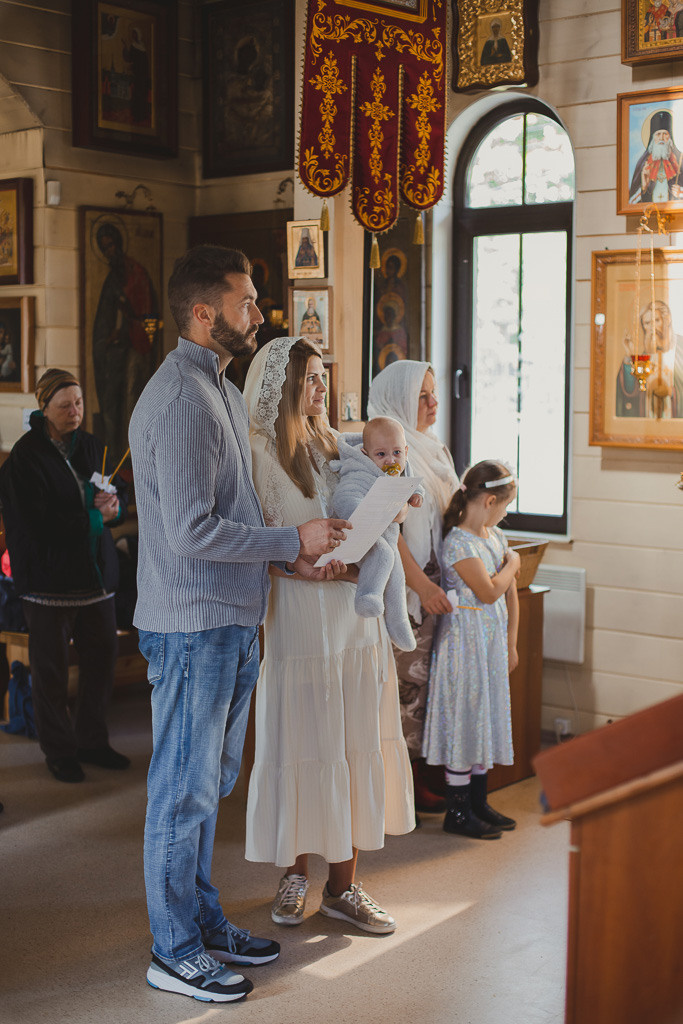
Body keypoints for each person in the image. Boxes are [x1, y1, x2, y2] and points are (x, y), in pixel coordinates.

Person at [129, 245, 350, 1004]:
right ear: (203, 312)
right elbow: (191, 530)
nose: (258, 314)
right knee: (182, 790)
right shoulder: (183, 399)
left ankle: (200, 919)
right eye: (246, 302)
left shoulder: (215, 386)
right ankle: (174, 949)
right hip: (192, 625)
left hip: (229, 616)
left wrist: (280, 559)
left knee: (207, 784)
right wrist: (288, 542)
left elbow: (234, 511)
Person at [243, 337, 415, 936]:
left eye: (322, 376)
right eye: (311, 378)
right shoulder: (258, 454)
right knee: (302, 738)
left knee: (350, 737)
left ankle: (344, 884)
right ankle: (294, 874)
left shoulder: (338, 445)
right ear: (283, 387)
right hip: (297, 614)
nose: (321, 389)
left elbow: (381, 489)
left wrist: (389, 509)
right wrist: (294, 562)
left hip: (352, 615)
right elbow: (248, 543)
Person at [0, 368, 129, 783]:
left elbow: (113, 493)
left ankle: (92, 739)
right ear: (44, 408)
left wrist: (114, 507)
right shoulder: (24, 458)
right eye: (64, 406)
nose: (74, 412)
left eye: (78, 403)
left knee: (100, 662)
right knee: (51, 672)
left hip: (95, 579)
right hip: (47, 581)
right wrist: (95, 517)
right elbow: (37, 524)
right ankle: (58, 750)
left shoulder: (90, 444)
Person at [367, 361, 459, 813]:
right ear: (400, 399)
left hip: (436, 579)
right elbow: (390, 530)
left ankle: (423, 772)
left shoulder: (433, 447)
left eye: (433, 392)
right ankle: (400, 785)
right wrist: (421, 586)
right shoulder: (388, 447)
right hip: (409, 584)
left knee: (424, 684)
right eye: (422, 396)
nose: (433, 402)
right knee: (405, 685)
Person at [423, 461, 520, 840]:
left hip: (490, 644)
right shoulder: (459, 542)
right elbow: (489, 590)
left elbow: (510, 596)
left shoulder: (493, 537)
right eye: (505, 507)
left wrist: (511, 644)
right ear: (490, 500)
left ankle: (479, 802)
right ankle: (458, 811)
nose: (505, 515)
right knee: (464, 715)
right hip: (463, 644)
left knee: (483, 715)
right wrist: (514, 563)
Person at [330, 417, 424, 652]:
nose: (390, 460)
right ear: (366, 453)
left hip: (389, 537)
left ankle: (399, 624)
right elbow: (344, 497)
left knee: (398, 581)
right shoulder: (359, 472)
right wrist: (366, 511)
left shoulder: (401, 465)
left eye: (396, 453)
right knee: (382, 555)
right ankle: (367, 597)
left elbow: (412, 483)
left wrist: (415, 495)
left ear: (405, 451)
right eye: (381, 455)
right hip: (362, 536)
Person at [92, 221, 159, 457]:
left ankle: (132, 454)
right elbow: (105, 317)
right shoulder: (113, 277)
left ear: (119, 244)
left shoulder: (136, 272)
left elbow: (144, 313)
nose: (109, 251)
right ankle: (114, 454)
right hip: (117, 350)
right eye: (104, 248)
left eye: (111, 245)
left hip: (135, 346)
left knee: (132, 399)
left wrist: (123, 327)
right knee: (112, 401)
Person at [616, 299, 683, 418]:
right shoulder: (646, 354)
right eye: (647, 323)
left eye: (656, 321)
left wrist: (670, 392)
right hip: (649, 422)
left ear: (667, 320)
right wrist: (628, 355)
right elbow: (631, 391)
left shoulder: (680, 348)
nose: (652, 328)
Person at [628, 110, 682, 205]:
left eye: (665, 134)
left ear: (670, 138)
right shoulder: (643, 163)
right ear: (652, 139)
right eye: (658, 134)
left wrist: (681, 192)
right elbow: (630, 202)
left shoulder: (680, 160)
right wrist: (644, 187)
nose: (661, 138)